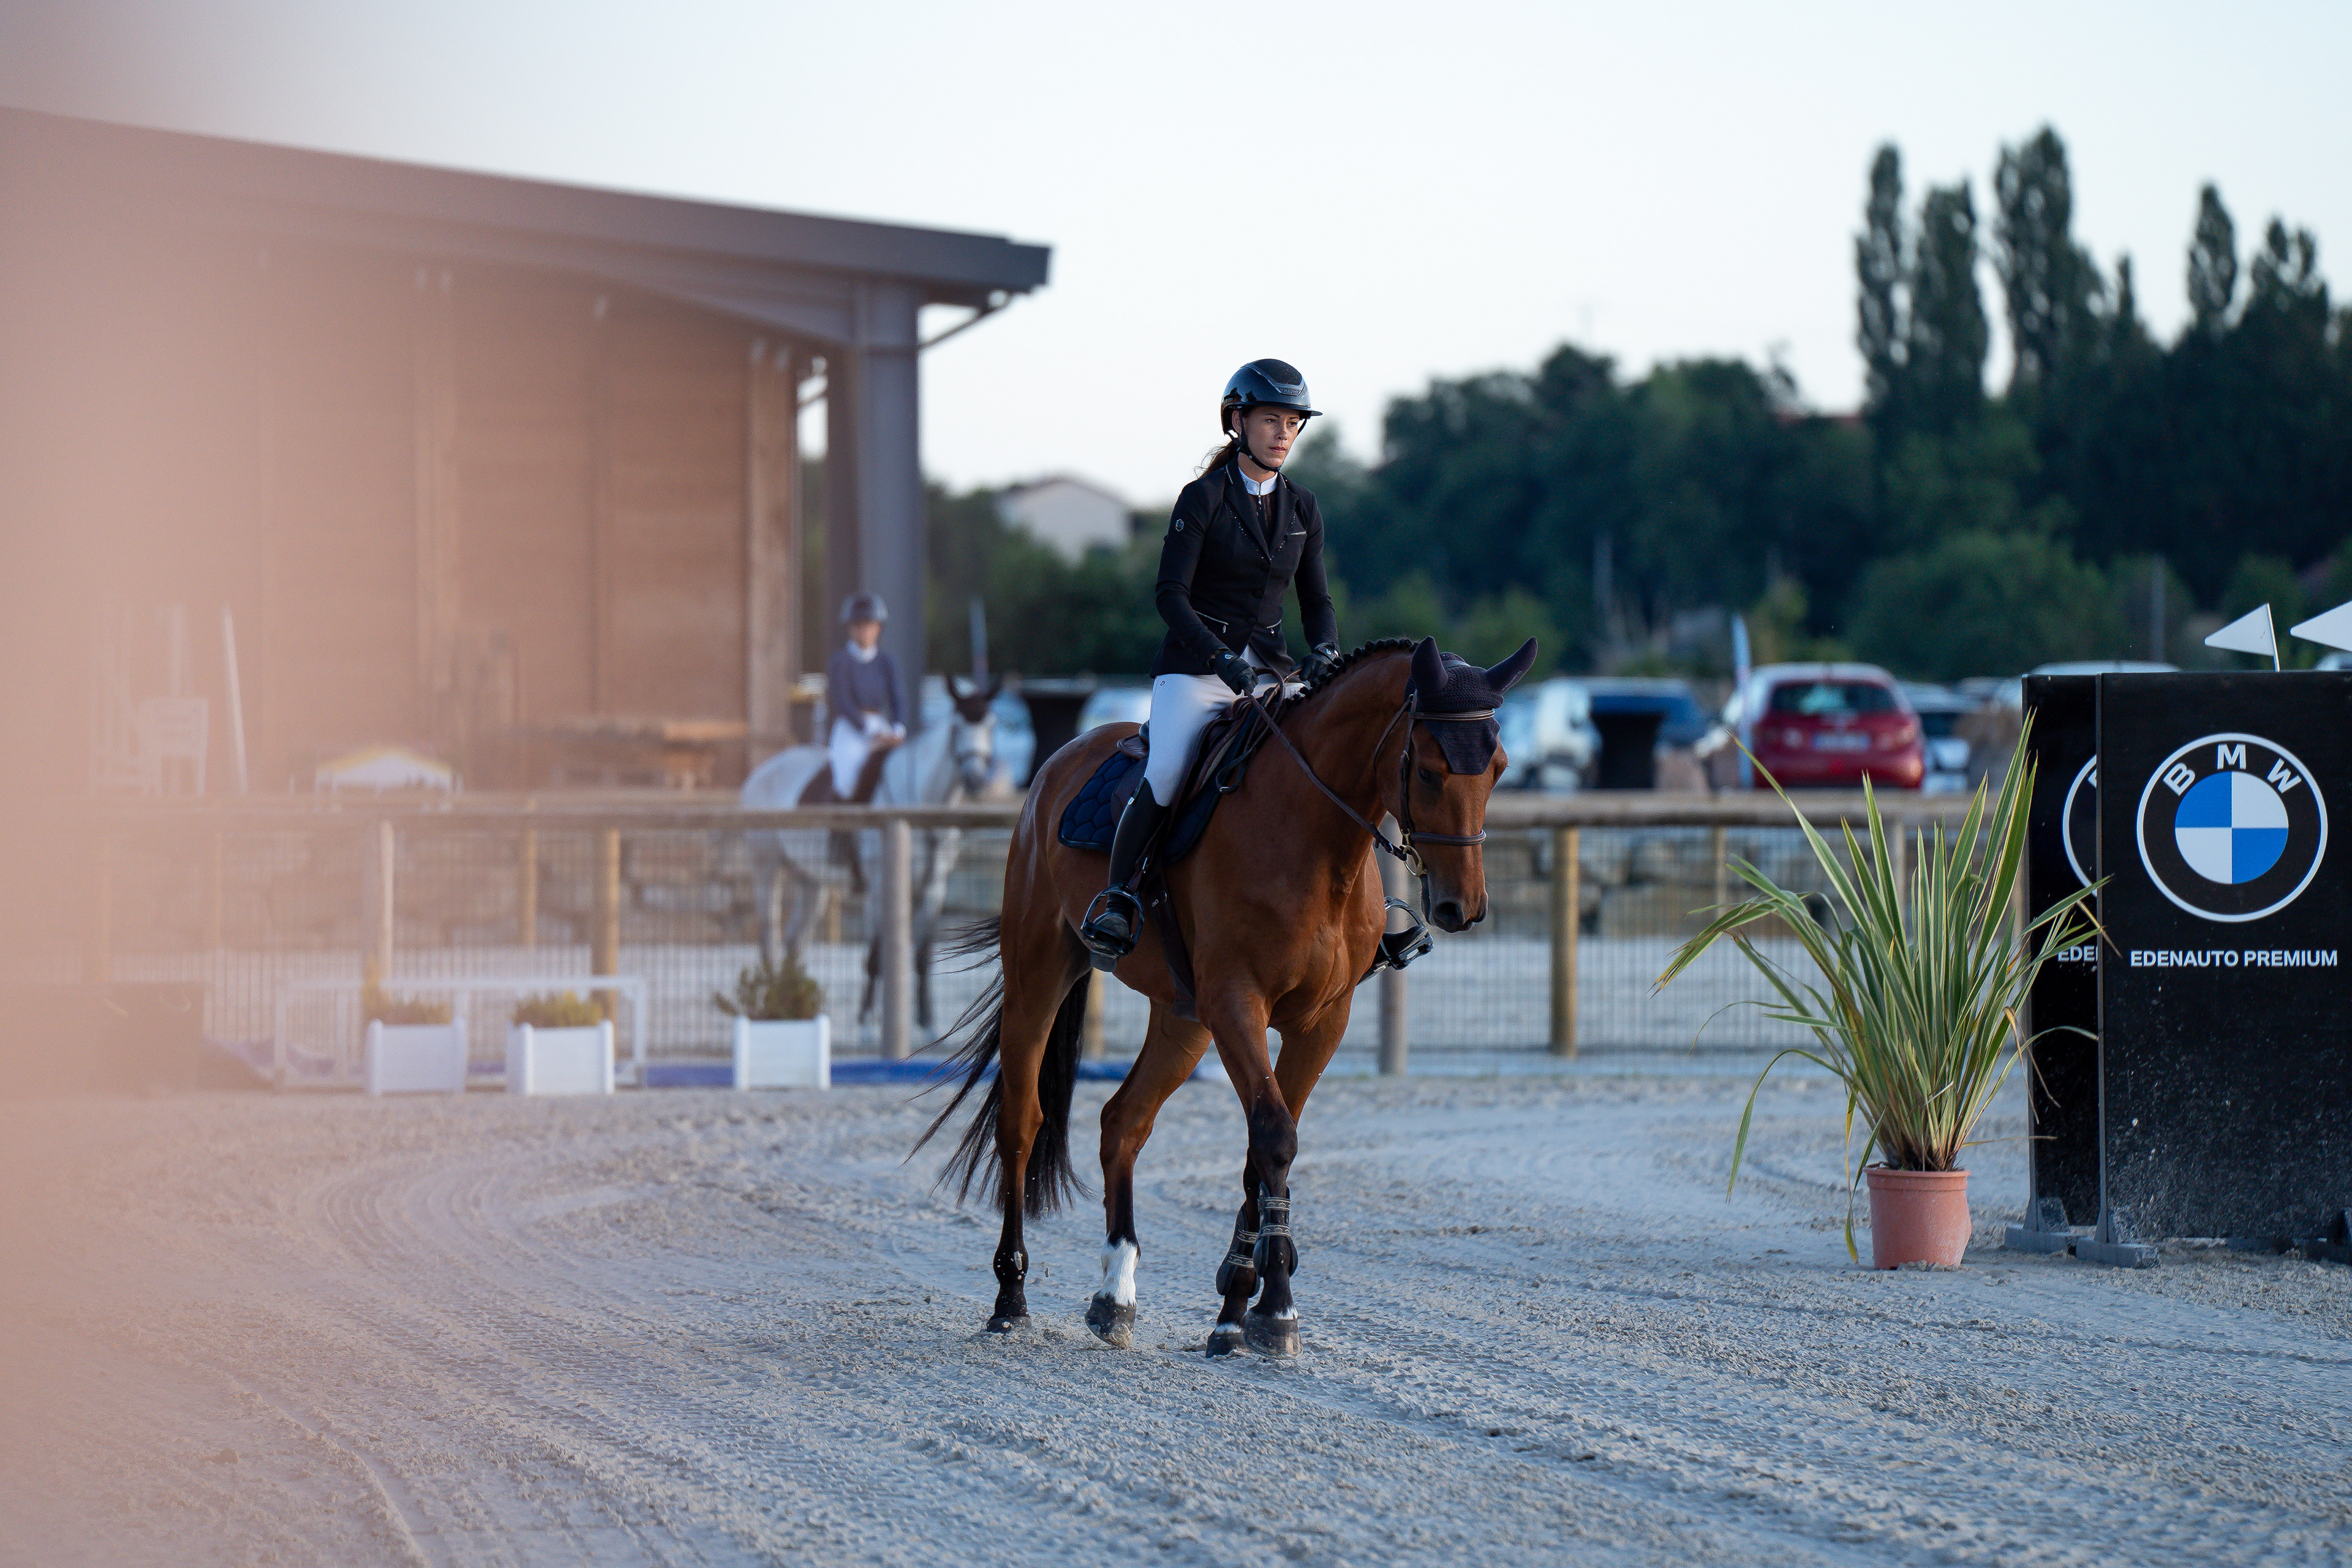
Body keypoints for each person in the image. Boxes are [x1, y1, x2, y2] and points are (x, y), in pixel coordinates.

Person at [1079, 359, 1344, 963]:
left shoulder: (1304, 507)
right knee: (1168, 769)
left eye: (1294, 423)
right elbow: (1169, 596)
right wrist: (1221, 657)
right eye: (1272, 420)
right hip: (1197, 671)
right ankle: (1118, 898)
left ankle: (1365, 918)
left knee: (1338, 761)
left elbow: (1317, 599)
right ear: (1237, 421)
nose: (1284, 434)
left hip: (1274, 672)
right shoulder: (1202, 498)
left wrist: (1324, 649)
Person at [824, 591, 906, 801]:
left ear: (878, 627)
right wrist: (867, 729)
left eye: (868, 624)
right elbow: (842, 702)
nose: (863, 630)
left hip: (880, 725)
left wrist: (898, 727)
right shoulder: (839, 662)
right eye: (857, 625)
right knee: (845, 781)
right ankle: (843, 828)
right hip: (851, 729)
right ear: (850, 629)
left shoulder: (886, 662)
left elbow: (897, 698)